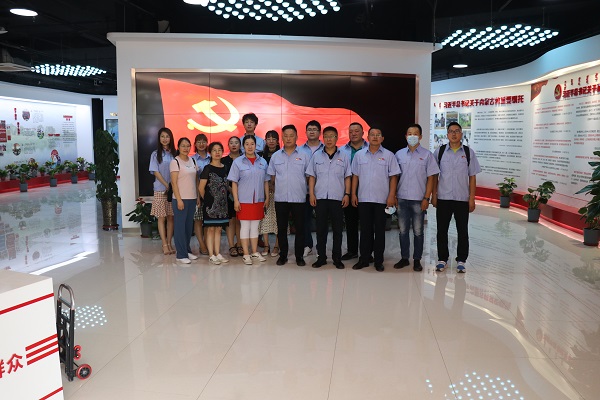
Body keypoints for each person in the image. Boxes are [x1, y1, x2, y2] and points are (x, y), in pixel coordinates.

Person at [432, 122, 481, 273]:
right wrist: (434, 195)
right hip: (444, 197)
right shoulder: (440, 152)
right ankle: (442, 259)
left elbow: (472, 177)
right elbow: (434, 176)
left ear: (461, 134)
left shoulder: (468, 152)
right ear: (447, 134)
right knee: (442, 230)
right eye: (451, 131)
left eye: (457, 131)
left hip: (461, 198)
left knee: (462, 231)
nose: (454, 134)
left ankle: (461, 260)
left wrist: (471, 198)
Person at [351, 127, 400, 272]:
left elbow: (393, 177)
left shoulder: (389, 155)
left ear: (382, 138)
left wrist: (391, 195)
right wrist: (353, 194)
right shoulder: (359, 155)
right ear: (367, 137)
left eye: (378, 135)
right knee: (365, 231)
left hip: (382, 199)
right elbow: (355, 176)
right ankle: (364, 259)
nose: (375, 137)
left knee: (379, 231)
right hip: (364, 198)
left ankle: (378, 260)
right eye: (372, 134)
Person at [393, 124, 439, 272]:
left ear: (420, 137)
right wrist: (393, 195)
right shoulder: (399, 155)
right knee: (403, 231)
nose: (412, 136)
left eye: (415, 133)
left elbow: (431, 178)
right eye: (409, 133)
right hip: (402, 199)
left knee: (418, 231)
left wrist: (427, 198)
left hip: (419, 200)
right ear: (406, 136)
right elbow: (394, 177)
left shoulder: (427, 155)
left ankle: (417, 259)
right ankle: (404, 258)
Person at [306, 126, 351, 269]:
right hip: (320, 198)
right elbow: (312, 176)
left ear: (337, 138)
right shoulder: (317, 156)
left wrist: (347, 194)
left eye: (332, 136)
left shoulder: (344, 156)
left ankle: (337, 258)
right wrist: (312, 194)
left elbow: (347, 177)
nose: (329, 139)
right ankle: (321, 257)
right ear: (323, 138)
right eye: (326, 136)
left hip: (337, 198)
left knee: (338, 230)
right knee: (321, 229)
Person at [267, 124, 311, 266]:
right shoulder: (276, 156)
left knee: (300, 228)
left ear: (296, 137)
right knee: (281, 228)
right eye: (285, 136)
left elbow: (309, 177)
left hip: (299, 198)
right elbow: (272, 178)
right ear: (282, 138)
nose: (288, 138)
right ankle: (283, 255)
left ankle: (299, 256)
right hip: (280, 198)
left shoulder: (304, 156)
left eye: (291, 135)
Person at [228, 135, 270, 265]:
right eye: (247, 144)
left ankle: (254, 252)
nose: (250, 146)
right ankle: (246, 254)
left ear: (256, 146)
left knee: (255, 227)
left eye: (252, 144)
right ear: (243, 146)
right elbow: (234, 182)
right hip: (244, 200)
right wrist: (236, 200)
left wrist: (267, 197)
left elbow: (266, 181)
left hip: (258, 200)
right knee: (245, 226)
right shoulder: (238, 162)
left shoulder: (263, 162)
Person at [340, 122, 368, 260]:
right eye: (351, 131)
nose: (354, 134)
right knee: (351, 223)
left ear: (363, 133)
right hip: (348, 191)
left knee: (367, 224)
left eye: (357, 131)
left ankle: (367, 252)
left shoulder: (371, 148)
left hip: (366, 190)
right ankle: (352, 251)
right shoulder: (341, 150)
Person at [199, 142, 230, 265]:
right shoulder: (207, 168)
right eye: (214, 150)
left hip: (223, 204)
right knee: (211, 229)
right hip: (210, 205)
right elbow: (201, 188)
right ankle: (211, 255)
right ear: (210, 153)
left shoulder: (225, 167)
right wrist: (207, 200)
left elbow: (227, 185)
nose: (217, 152)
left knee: (218, 229)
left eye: (219, 150)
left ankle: (218, 253)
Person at [170, 137, 199, 264]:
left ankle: (187, 250)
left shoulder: (193, 160)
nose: (186, 148)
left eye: (188, 146)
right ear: (178, 147)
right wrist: (179, 199)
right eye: (183, 146)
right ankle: (180, 254)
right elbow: (174, 183)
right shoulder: (175, 162)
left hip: (192, 198)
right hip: (180, 199)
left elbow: (196, 180)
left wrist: (198, 196)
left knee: (188, 227)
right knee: (180, 227)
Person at [149, 127, 176, 255]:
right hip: (160, 189)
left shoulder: (174, 154)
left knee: (171, 218)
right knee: (161, 218)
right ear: (159, 138)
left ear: (171, 138)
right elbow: (155, 171)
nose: (165, 139)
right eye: (162, 136)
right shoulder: (155, 154)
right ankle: (164, 244)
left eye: (167, 136)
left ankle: (169, 243)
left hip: (173, 190)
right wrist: (166, 185)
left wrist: (172, 186)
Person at [300, 120, 324, 257]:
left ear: (319, 132)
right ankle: (307, 245)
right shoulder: (300, 150)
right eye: (309, 129)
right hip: (304, 191)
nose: (312, 131)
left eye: (315, 129)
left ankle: (320, 247)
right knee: (305, 220)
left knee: (321, 220)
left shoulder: (326, 148)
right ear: (306, 132)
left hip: (321, 191)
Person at [258, 130, 283, 257]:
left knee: (279, 219)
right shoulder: (260, 156)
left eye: (274, 139)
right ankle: (266, 245)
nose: (271, 141)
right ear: (265, 141)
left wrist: (274, 185)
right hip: (264, 192)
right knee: (265, 219)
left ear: (278, 141)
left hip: (280, 191)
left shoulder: (282, 154)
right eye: (268, 139)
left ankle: (277, 246)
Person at [222, 136, 243, 257]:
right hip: (227, 195)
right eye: (231, 143)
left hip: (243, 194)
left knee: (240, 220)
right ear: (228, 145)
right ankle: (231, 246)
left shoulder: (244, 159)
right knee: (230, 220)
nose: (234, 145)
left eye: (236, 143)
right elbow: (223, 178)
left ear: (240, 145)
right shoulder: (224, 160)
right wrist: (231, 191)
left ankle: (239, 244)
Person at [191, 133, 210, 255]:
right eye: (199, 142)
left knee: (208, 220)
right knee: (198, 219)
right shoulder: (191, 159)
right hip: (196, 193)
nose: (201, 144)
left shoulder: (212, 158)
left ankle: (207, 243)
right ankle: (202, 245)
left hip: (210, 193)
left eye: (204, 141)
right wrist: (198, 195)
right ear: (195, 144)